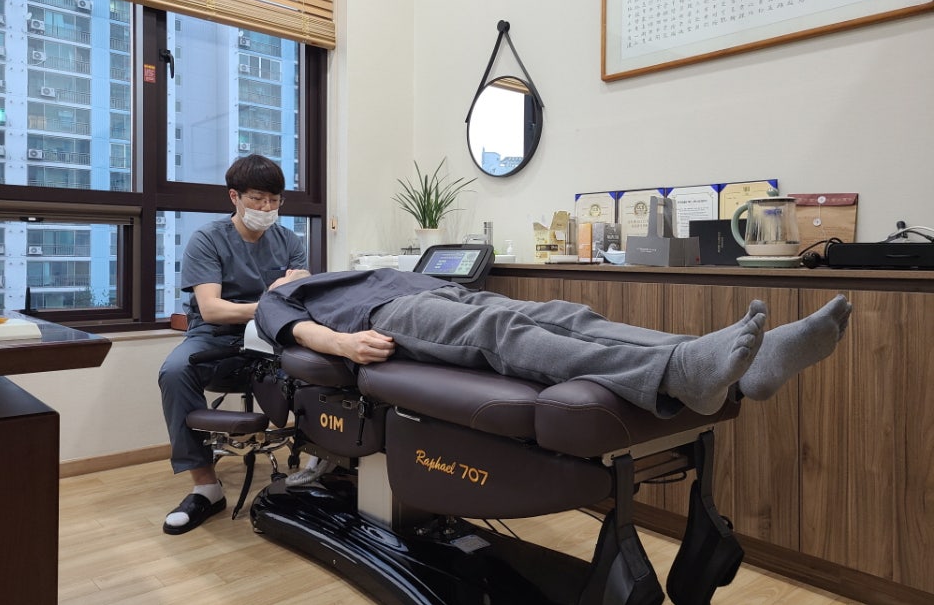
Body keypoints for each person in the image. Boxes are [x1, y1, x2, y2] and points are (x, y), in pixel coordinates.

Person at [254, 268, 852, 421]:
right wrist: (343, 344)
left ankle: (728, 364)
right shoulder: (286, 294)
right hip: (390, 317)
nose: (293, 268)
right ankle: (679, 371)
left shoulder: (340, 269)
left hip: (444, 290)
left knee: (561, 314)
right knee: (503, 335)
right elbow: (292, 331)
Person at [159, 155, 306, 535]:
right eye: (257, 199)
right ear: (234, 197)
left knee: (321, 367)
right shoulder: (208, 239)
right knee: (175, 371)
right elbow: (212, 309)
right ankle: (206, 488)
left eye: (274, 200)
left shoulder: (289, 241)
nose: (266, 208)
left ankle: (319, 469)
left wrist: (280, 301)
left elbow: (299, 298)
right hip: (216, 336)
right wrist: (269, 301)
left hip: (271, 336)